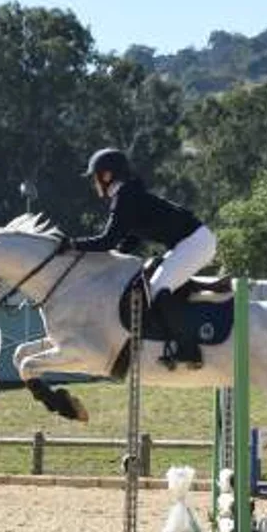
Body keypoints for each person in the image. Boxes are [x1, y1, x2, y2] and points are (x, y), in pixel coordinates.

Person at [69, 148, 217, 370]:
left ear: (107, 175)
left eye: (95, 177)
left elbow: (108, 241)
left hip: (196, 242)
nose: (94, 183)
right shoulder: (128, 194)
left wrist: (72, 245)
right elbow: (127, 242)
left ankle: (190, 350)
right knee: (154, 284)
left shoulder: (125, 196)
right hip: (190, 241)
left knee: (158, 287)